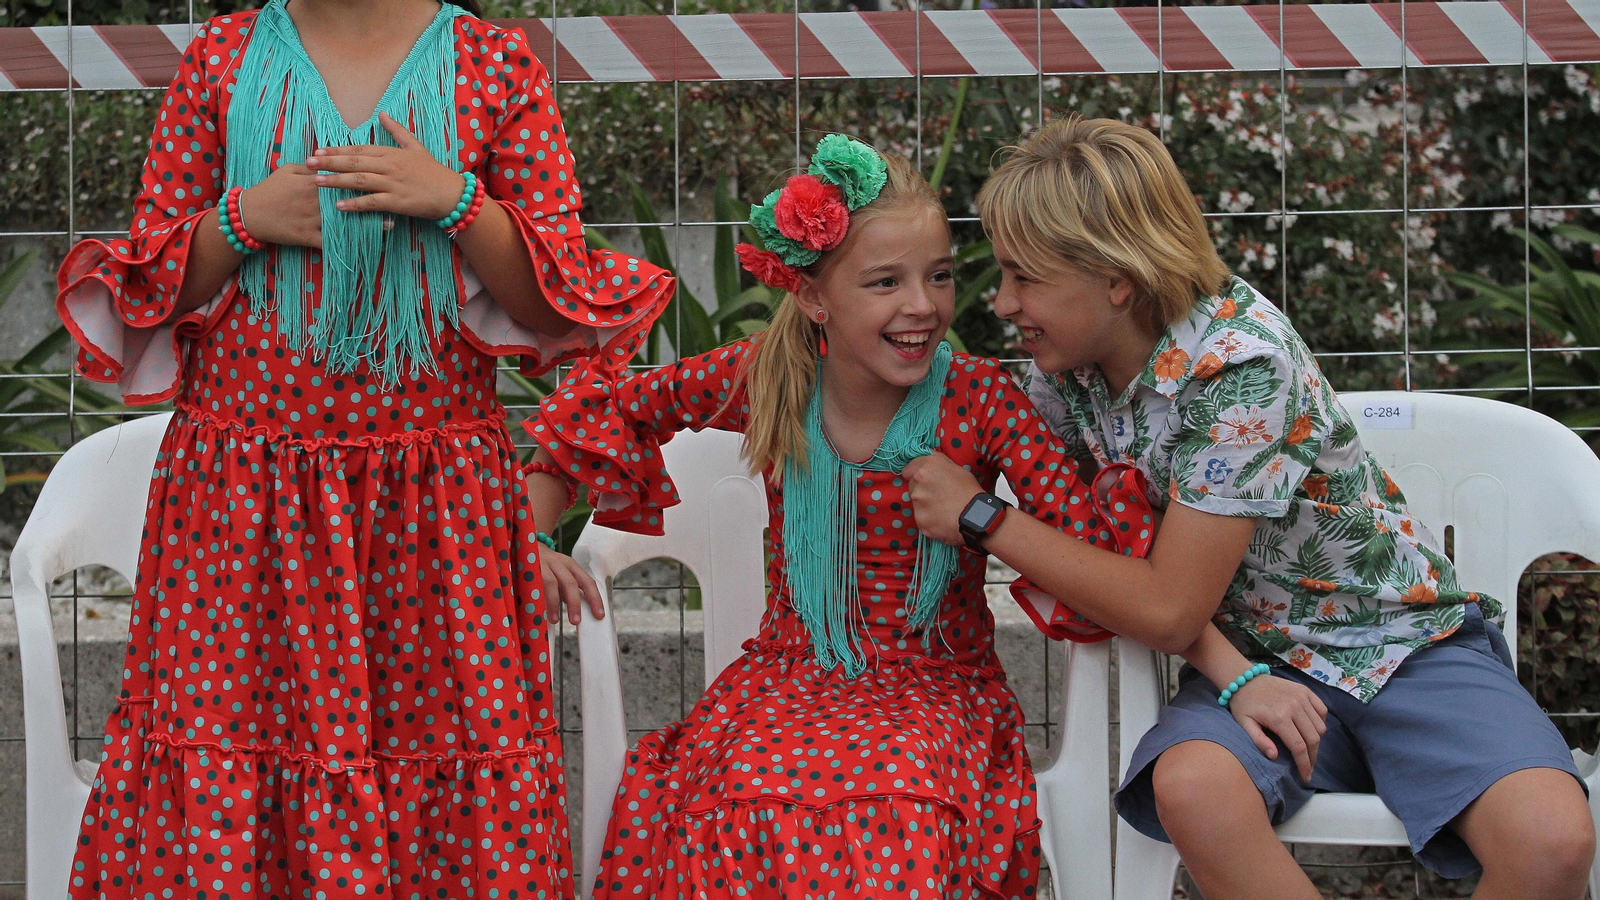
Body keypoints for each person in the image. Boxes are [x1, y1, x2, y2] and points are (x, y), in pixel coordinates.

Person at [53, 1, 672, 897]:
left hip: (433, 515)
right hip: (245, 511)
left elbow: (554, 297)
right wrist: (241, 219)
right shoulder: (221, 56)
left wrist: (458, 202)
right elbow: (152, 283)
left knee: (443, 750)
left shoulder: (494, 64)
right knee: (235, 745)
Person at [904, 115, 1595, 899]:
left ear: (1115, 278)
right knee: (1193, 787)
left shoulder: (1241, 365)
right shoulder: (1067, 372)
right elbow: (1086, 541)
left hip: (1403, 648)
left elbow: (1166, 607)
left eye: (1023, 277)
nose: (1002, 303)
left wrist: (983, 519)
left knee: (1550, 840)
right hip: (1255, 661)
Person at [521, 134, 1152, 899]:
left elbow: (1087, 546)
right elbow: (603, 414)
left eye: (940, 275)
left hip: (934, 687)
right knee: (737, 799)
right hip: (784, 682)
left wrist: (982, 513)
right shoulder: (768, 377)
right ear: (816, 298)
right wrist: (531, 538)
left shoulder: (979, 399)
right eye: (886, 282)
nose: (923, 305)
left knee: (896, 804)